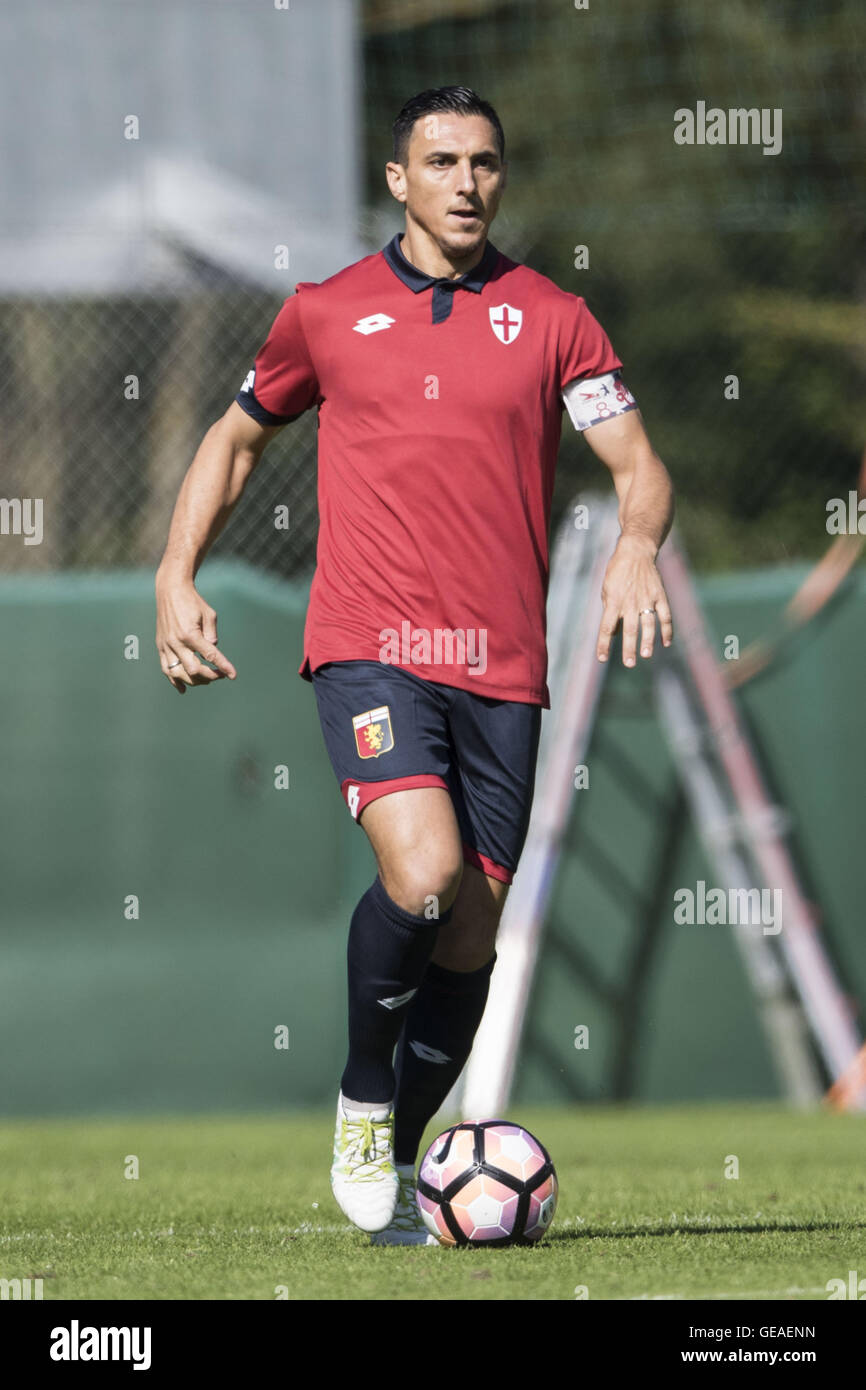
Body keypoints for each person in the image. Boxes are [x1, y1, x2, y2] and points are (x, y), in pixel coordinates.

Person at [155, 86, 675, 1245]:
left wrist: (634, 544)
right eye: (438, 161)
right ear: (398, 180)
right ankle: (360, 1091)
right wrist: (175, 573)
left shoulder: (552, 318)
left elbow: (637, 464)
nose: (463, 182)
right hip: (369, 646)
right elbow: (237, 434)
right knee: (423, 867)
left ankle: (393, 1169)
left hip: (503, 669)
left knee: (469, 934)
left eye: (483, 162)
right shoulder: (326, 312)